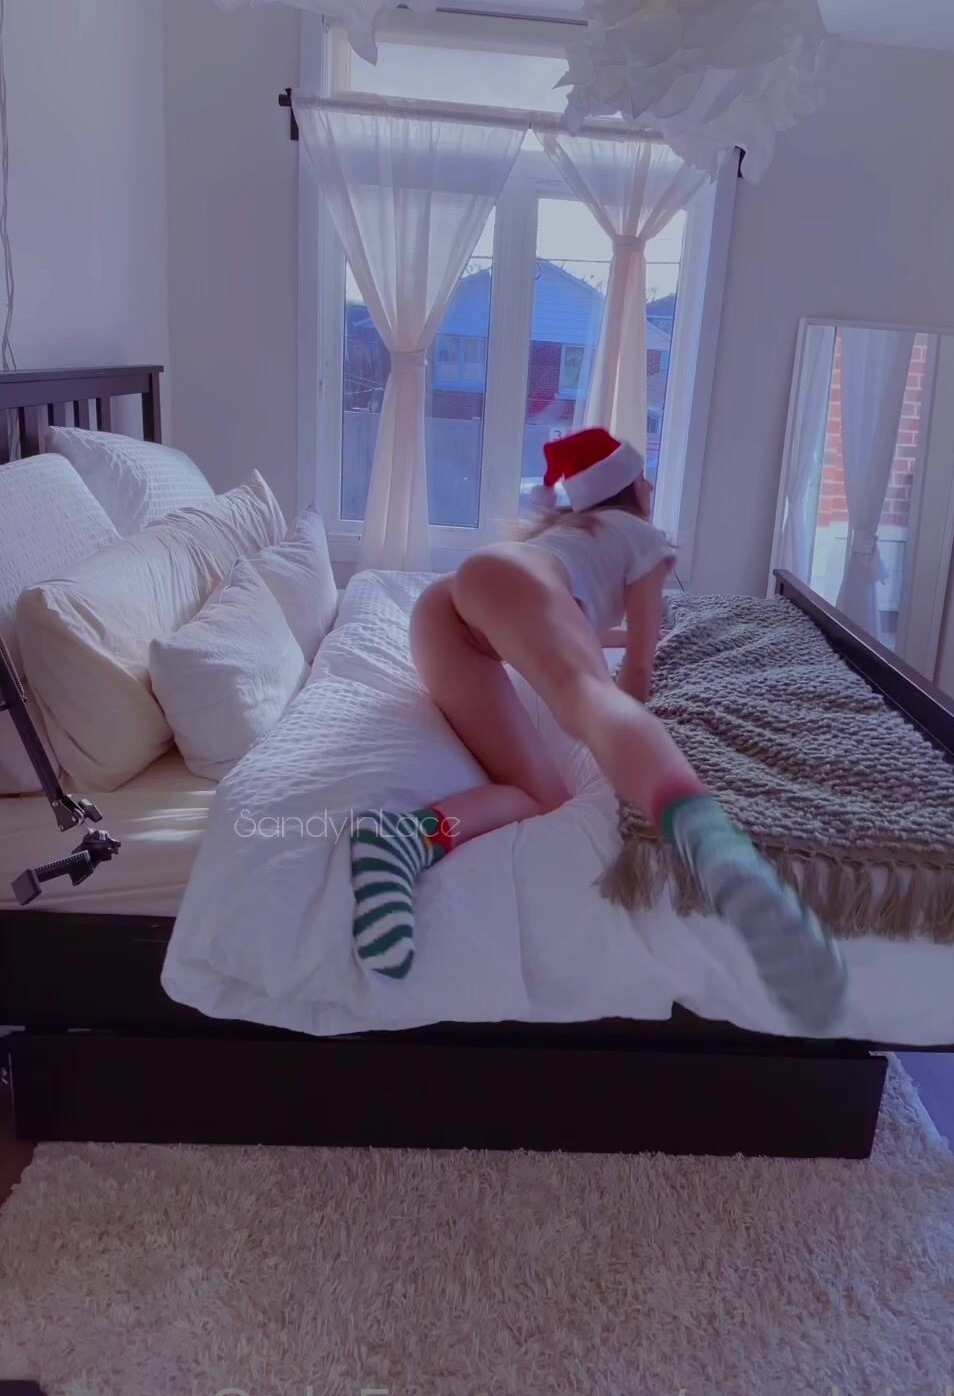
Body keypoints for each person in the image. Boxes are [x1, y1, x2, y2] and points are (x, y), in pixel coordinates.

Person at [349, 426, 847, 1032]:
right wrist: (625, 721)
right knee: (587, 698)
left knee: (542, 795)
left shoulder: (570, 539)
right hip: (496, 597)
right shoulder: (644, 538)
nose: (652, 486)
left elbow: (556, 622)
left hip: (441, 618)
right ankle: (715, 847)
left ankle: (404, 838)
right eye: (647, 477)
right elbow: (636, 669)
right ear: (633, 488)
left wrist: (604, 657)